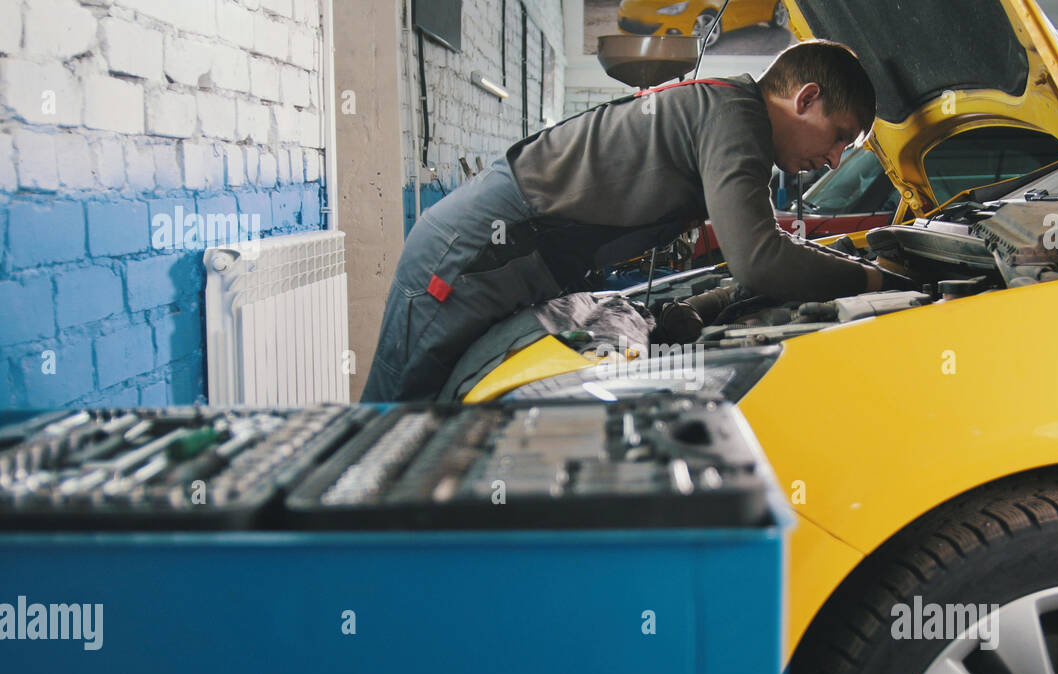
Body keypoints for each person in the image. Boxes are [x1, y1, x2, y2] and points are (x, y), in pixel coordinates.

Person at [361, 39, 884, 402]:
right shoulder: (736, 118)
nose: (836, 159)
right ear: (806, 98)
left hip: (510, 260)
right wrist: (868, 279)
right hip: (472, 254)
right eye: (839, 136)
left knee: (455, 417)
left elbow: (760, 245)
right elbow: (759, 261)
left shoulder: (733, 115)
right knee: (397, 431)